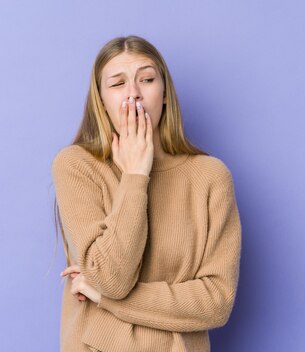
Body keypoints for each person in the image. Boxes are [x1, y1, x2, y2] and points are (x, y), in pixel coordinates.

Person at [51, 35, 241, 352]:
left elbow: (216, 302)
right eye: (117, 84)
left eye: (147, 79)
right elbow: (113, 277)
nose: (134, 95)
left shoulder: (210, 176)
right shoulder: (76, 166)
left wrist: (105, 298)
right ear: (100, 100)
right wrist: (135, 175)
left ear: (164, 93)